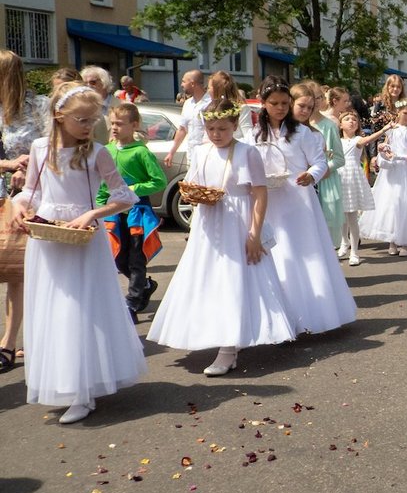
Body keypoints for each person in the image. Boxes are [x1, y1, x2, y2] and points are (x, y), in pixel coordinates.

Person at [11, 83, 145, 423]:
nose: (88, 126)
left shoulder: (97, 152)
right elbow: (32, 191)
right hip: (48, 236)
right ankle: (65, 380)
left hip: (83, 238)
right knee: (53, 308)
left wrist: (92, 213)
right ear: (60, 116)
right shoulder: (40, 148)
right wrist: (20, 206)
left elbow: (124, 196)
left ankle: (83, 390)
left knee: (80, 308)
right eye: (81, 120)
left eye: (92, 120)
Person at [148, 99, 295, 375]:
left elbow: (259, 194)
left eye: (223, 129)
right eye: (211, 129)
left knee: (233, 279)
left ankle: (228, 347)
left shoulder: (247, 153)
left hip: (236, 222)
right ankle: (218, 333)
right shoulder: (201, 151)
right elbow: (193, 184)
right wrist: (194, 198)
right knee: (209, 279)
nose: (216, 134)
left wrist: (254, 233)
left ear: (234, 126)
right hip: (209, 222)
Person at [252, 80, 356, 333]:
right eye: (274, 103)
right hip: (268, 201)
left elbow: (319, 162)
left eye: (284, 103)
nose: (280, 108)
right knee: (277, 254)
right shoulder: (255, 133)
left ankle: (312, 313)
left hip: (298, 199)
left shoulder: (302, 132)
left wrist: (311, 174)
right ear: (264, 104)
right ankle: (277, 318)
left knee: (302, 252)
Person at [0, 50, 49, 372]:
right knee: (13, 269)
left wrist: (30, 166)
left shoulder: (40, 107)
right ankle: (12, 342)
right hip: (7, 197)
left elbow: (57, 150)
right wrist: (8, 164)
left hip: (39, 197)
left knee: (27, 272)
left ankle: (15, 342)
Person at [99, 103, 166, 323]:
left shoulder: (141, 152)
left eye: (120, 124)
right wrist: (99, 208)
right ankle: (144, 285)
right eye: (112, 123)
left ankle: (133, 302)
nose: (114, 128)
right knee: (119, 259)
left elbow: (158, 181)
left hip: (137, 213)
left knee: (137, 259)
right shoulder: (107, 151)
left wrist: (133, 189)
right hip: (114, 214)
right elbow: (102, 185)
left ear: (134, 125)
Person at [359, 99, 407, 256]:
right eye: (406, 113)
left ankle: (405, 242)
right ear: (398, 112)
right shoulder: (392, 128)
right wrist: (383, 150)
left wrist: (399, 156)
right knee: (392, 203)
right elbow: (386, 146)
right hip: (393, 171)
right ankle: (392, 239)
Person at [338, 110, 392, 265]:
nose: (351, 121)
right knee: (341, 215)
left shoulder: (357, 139)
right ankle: (344, 241)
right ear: (340, 125)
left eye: (354, 119)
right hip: (340, 177)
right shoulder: (337, 141)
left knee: (352, 216)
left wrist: (384, 129)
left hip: (352, 177)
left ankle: (354, 252)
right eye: (347, 119)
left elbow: (368, 139)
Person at [307, 81, 346, 247]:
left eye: (319, 98)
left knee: (325, 238)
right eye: (312, 98)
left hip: (325, 183)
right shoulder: (295, 126)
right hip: (303, 184)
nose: (315, 102)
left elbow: (339, 158)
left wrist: (322, 169)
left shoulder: (329, 126)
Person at [165, 69, 210, 166]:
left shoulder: (210, 103)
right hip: (191, 157)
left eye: (184, 81)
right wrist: (171, 152)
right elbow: (182, 130)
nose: (182, 85)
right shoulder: (187, 104)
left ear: (192, 83)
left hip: (208, 157)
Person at [208, 70, 253, 142]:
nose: (208, 91)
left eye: (209, 88)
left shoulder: (241, 108)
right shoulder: (209, 109)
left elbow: (248, 135)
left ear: (218, 89)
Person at [80, 65, 114, 144]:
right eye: (84, 83)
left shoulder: (123, 105)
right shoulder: (80, 108)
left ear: (104, 82)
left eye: (93, 82)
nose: (88, 86)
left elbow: (139, 135)